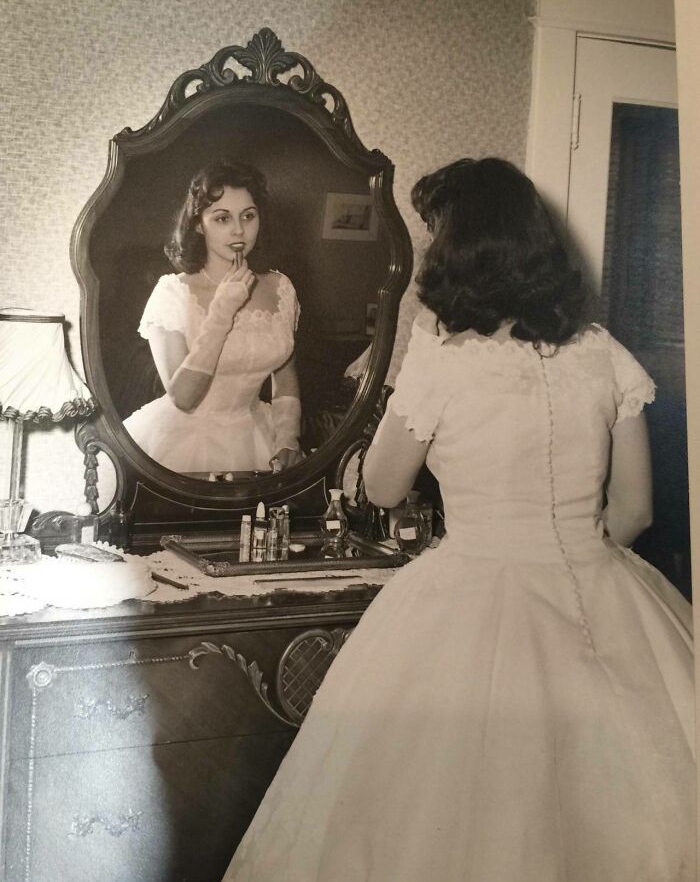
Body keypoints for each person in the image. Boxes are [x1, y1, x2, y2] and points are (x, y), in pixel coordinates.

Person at [222, 158, 694, 881]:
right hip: (603, 593)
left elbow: (381, 487)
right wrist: (575, 551)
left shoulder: (442, 356)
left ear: (458, 248)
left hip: (469, 594)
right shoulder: (604, 353)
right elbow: (634, 509)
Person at [123, 159, 303, 477]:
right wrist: (221, 313)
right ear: (198, 223)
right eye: (222, 218)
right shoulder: (173, 292)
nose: (238, 230)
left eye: (248, 216)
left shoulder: (280, 287)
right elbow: (183, 397)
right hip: (181, 443)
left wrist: (287, 438)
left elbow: (285, 378)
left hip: (257, 437)